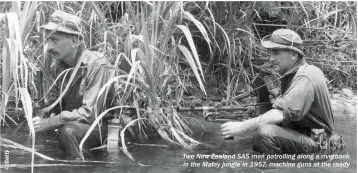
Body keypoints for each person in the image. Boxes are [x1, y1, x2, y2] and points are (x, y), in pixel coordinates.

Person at [220, 29, 343, 153]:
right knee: (248, 140)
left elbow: (280, 114)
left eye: (276, 53)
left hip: (318, 143)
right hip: (304, 135)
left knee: (264, 133)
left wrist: (241, 126)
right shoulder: (291, 75)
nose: (271, 59)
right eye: (270, 53)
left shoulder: (305, 75)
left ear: (294, 55)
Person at [32, 10, 114, 159]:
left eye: (54, 40)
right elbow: (56, 103)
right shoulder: (59, 66)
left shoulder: (97, 64)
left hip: (98, 127)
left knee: (69, 132)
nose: (48, 47)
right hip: (73, 123)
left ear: (75, 41)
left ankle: (77, 167)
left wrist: (50, 122)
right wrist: (43, 109)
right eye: (48, 40)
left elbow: (90, 113)